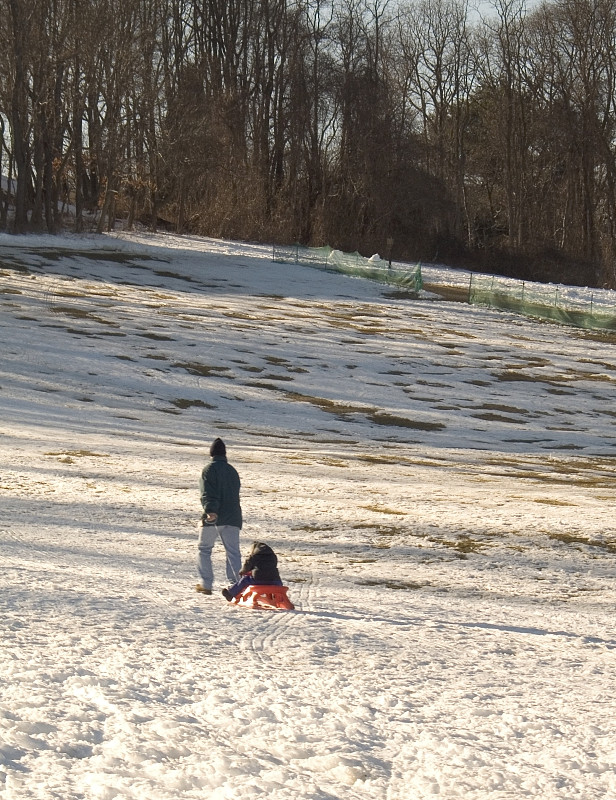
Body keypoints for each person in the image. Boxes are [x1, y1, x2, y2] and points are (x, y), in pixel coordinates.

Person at [196, 438, 242, 595]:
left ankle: (206, 584)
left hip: (214, 518)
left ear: (211, 453)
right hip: (234, 518)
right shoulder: (232, 470)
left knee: (204, 549)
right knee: (233, 552)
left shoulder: (208, 470)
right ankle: (237, 586)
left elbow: (207, 493)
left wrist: (210, 510)